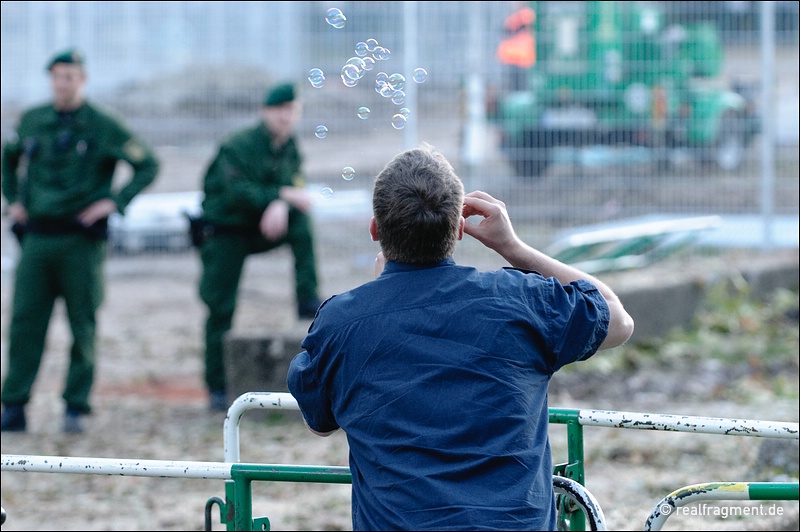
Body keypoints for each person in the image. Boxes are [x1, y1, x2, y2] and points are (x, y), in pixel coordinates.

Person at [288, 143, 634, 531]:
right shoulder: (521, 300)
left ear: (375, 229)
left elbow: (318, 420)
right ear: (458, 230)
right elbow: (617, 318)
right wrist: (512, 246)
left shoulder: (340, 324)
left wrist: (380, 298)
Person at [0, 48, 160, 433]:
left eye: (69, 76)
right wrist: (13, 201)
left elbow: (147, 163)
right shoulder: (34, 119)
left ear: (82, 79)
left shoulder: (103, 123)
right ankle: (14, 404)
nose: (62, 83)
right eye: (57, 76)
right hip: (37, 238)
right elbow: (9, 157)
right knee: (24, 323)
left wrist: (114, 202)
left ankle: (75, 406)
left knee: (82, 324)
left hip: (80, 241)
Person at [197, 82, 321, 412]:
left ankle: (307, 297)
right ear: (264, 112)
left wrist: (282, 202)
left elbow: (295, 187)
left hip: (261, 226)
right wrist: (278, 197)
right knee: (220, 308)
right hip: (224, 230)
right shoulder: (238, 145)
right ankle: (217, 386)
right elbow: (236, 191)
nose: (286, 117)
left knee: (302, 223)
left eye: (292, 110)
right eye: (280, 110)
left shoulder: (290, 146)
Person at [496, 3, 537, 91]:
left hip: (523, 58)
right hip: (512, 58)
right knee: (512, 86)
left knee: (522, 85)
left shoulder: (526, 14)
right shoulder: (512, 15)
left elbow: (521, 26)